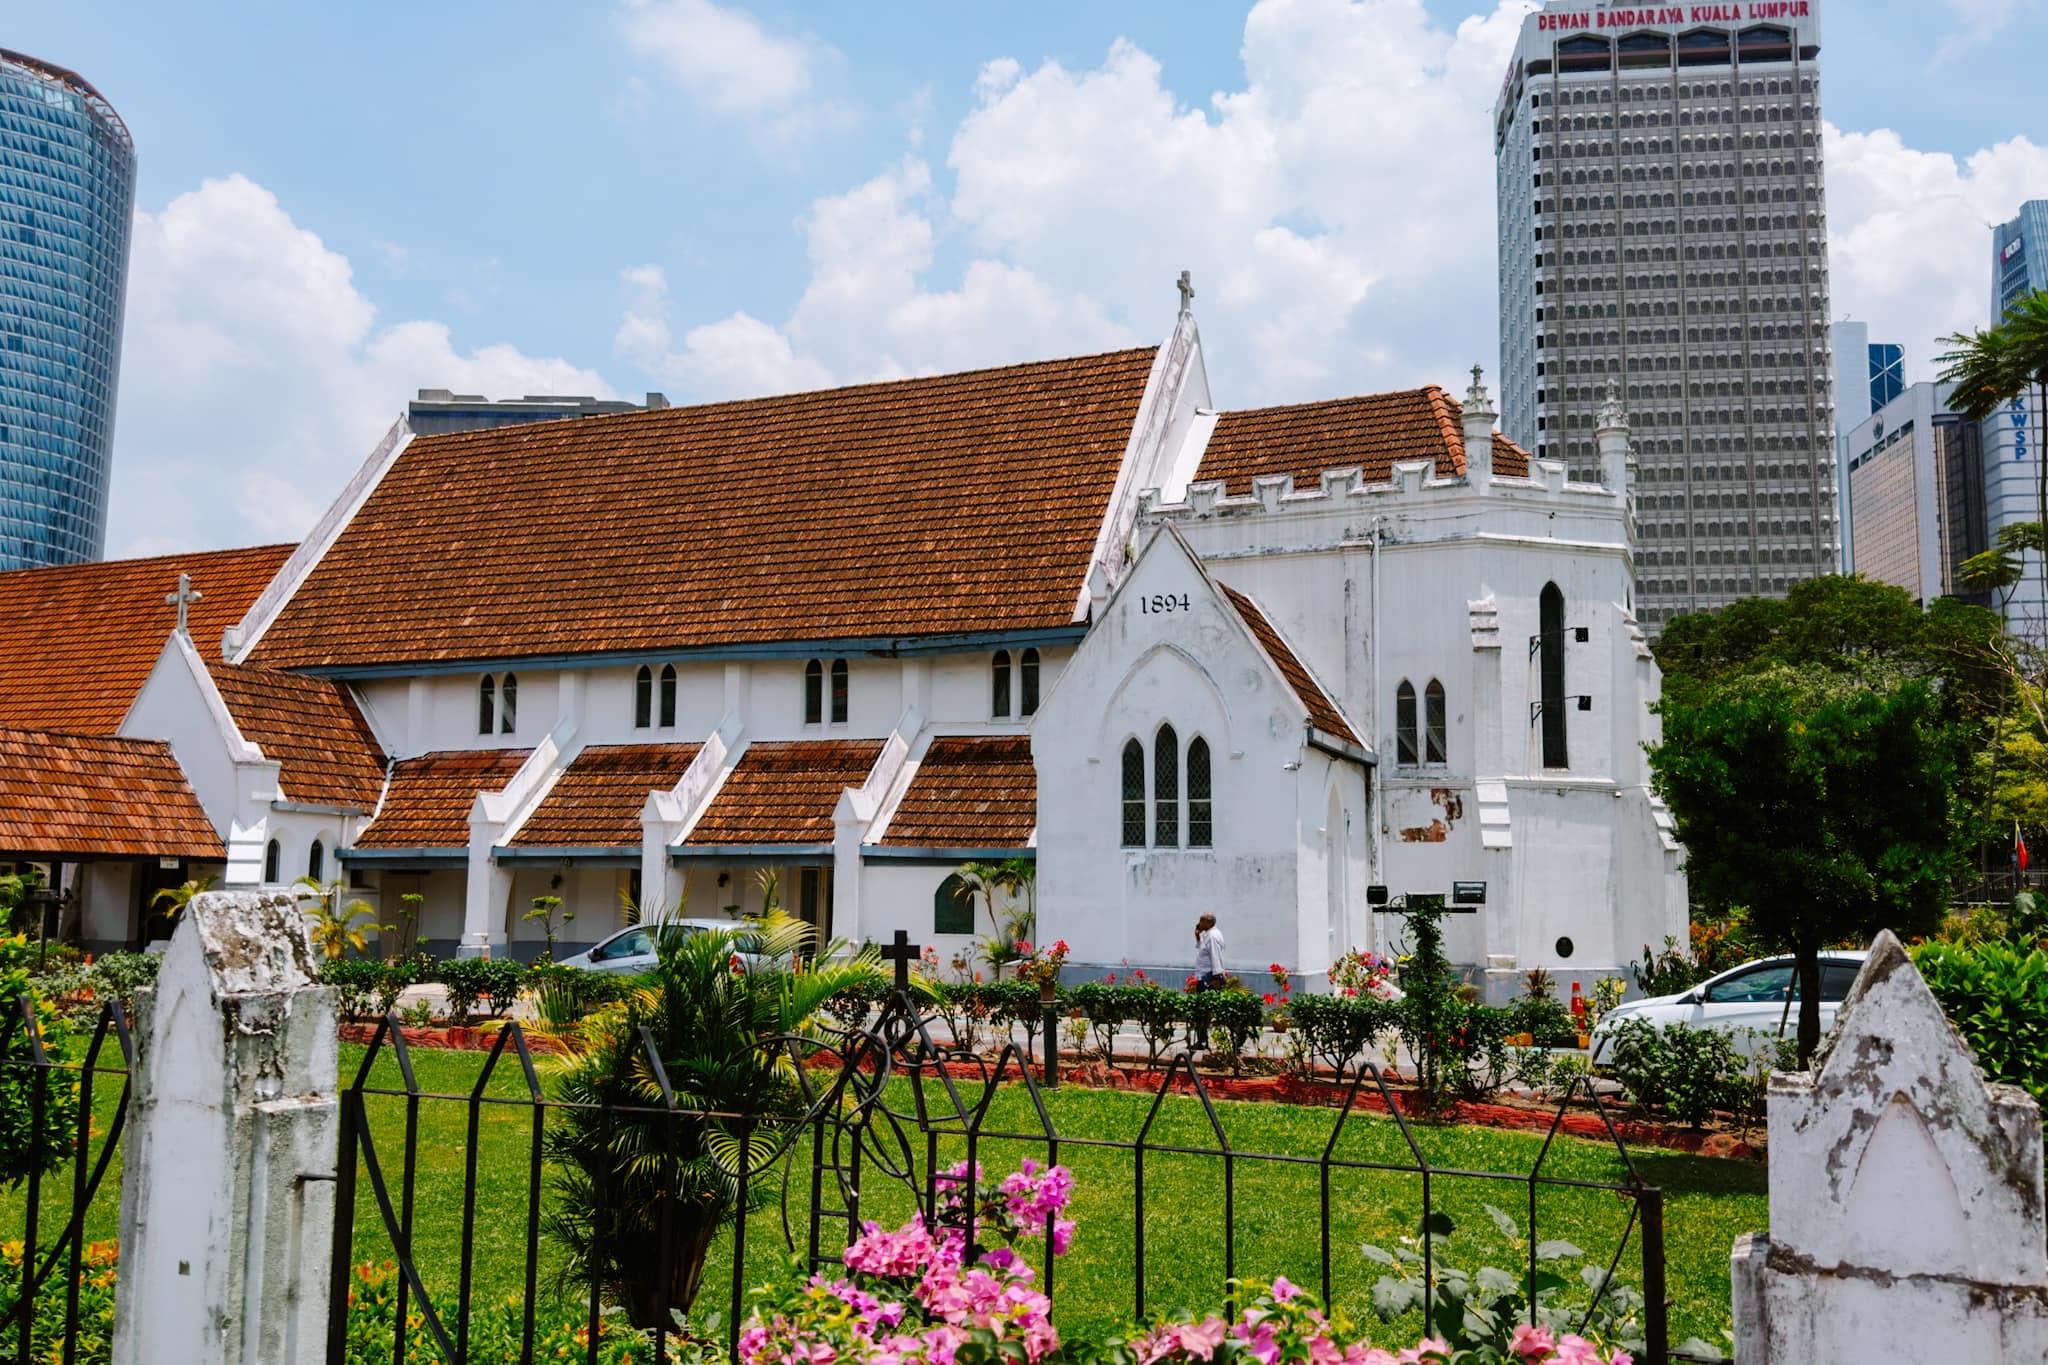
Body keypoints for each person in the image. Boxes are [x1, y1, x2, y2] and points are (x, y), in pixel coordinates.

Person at [1193, 912, 1227, 991]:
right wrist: (1198, 937)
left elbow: (1215, 955)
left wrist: (1216, 977)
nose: (1198, 924)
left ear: (1208, 923)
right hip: (1205, 975)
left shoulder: (1212, 936)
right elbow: (1204, 949)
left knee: (1204, 1001)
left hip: (1209, 977)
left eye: (1201, 921)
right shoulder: (1210, 934)